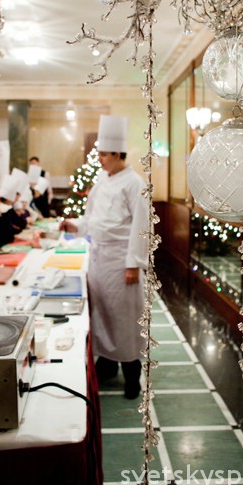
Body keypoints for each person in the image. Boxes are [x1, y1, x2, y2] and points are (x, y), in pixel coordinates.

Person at [60, 115, 149, 399]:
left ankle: (132, 375)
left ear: (118, 154)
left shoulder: (134, 183)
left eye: (103, 154)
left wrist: (133, 264)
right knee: (102, 315)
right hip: (99, 258)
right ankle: (108, 364)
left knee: (125, 319)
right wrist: (75, 226)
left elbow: (141, 227)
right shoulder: (101, 181)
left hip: (122, 260)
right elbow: (92, 219)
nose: (99, 159)